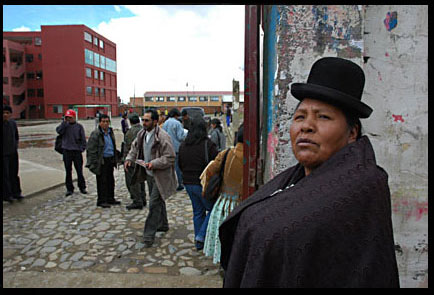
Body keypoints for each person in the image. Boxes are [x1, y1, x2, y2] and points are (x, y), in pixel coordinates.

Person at [219, 57, 400, 288]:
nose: (306, 126)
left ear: (352, 133)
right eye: (300, 116)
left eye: (323, 117)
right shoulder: (293, 181)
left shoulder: (363, 187)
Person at [124, 109, 177, 248]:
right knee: (158, 201)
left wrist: (153, 164)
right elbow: (134, 148)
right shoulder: (142, 134)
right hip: (149, 176)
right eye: (143, 120)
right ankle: (163, 224)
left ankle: (148, 236)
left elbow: (170, 157)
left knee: (153, 204)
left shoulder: (163, 137)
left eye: (147, 120)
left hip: (161, 177)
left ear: (155, 121)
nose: (144, 123)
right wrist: (129, 159)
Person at [203, 124, 244, 265]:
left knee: (222, 239)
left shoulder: (226, 153)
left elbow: (210, 171)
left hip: (224, 203)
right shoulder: (251, 156)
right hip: (241, 206)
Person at [179, 117, 219, 250]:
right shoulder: (208, 145)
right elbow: (216, 164)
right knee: (213, 209)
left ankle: (199, 243)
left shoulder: (183, 145)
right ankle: (201, 236)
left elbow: (180, 164)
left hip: (188, 183)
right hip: (203, 184)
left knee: (198, 212)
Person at [86, 114, 122, 208]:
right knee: (102, 181)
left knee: (110, 180)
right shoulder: (96, 134)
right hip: (101, 160)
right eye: (103, 121)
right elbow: (91, 150)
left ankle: (110, 198)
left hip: (110, 159)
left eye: (107, 121)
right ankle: (102, 200)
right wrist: (94, 163)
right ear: (100, 122)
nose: (105, 123)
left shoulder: (110, 132)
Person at [56, 109, 87, 197]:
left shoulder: (79, 127)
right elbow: (58, 131)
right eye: (67, 117)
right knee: (68, 171)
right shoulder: (64, 126)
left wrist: (82, 148)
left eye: (70, 117)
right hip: (67, 151)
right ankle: (69, 189)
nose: (69, 119)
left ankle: (82, 187)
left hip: (76, 151)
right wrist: (64, 123)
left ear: (74, 117)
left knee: (79, 171)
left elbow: (83, 139)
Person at [123, 113, 147, 210]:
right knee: (141, 180)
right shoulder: (144, 130)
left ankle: (137, 200)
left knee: (132, 181)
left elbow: (128, 147)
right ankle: (143, 198)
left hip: (132, 160)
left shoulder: (130, 132)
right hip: (142, 159)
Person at [3, 105, 24, 203]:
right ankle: (7, 195)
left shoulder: (13, 123)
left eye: (7, 113)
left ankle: (17, 193)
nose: (5, 115)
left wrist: (15, 146)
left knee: (14, 173)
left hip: (13, 152)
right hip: (4, 154)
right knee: (5, 175)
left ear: (10, 114)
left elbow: (16, 136)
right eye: (4, 113)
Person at [162, 108, 186, 191]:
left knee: (169, 168)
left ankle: (169, 184)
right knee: (177, 167)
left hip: (166, 148)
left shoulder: (165, 123)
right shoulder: (177, 123)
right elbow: (180, 136)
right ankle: (179, 184)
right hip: (176, 148)